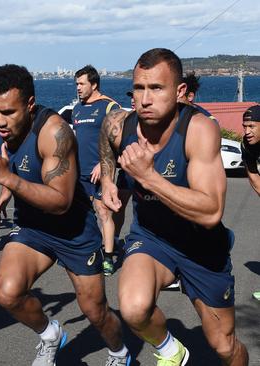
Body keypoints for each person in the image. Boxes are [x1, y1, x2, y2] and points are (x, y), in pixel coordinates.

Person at [99, 48, 249, 365]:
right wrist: (108, 179)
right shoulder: (120, 124)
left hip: (202, 248)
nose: (145, 99)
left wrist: (149, 177)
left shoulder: (198, 130)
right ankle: (171, 350)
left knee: (224, 346)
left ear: (180, 92)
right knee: (133, 307)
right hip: (152, 238)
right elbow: (107, 135)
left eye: (156, 88)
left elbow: (210, 212)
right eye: (139, 88)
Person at [0, 64, 130, 366]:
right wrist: (6, 192)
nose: (0, 121)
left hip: (73, 231)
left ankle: (119, 352)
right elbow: (14, 165)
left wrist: (7, 180)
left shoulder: (54, 132)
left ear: (30, 104)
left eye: (9, 112)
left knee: (95, 311)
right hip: (33, 226)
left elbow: (60, 201)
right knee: (8, 292)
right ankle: (50, 335)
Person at [72, 65, 121, 276]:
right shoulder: (77, 109)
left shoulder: (109, 107)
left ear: (94, 84)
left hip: (103, 171)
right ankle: (91, 252)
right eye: (76, 84)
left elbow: (120, 142)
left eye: (82, 84)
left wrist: (102, 165)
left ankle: (108, 257)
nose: (78, 88)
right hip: (79, 172)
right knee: (83, 215)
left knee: (103, 213)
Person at [240, 105, 260, 301]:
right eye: (244, 126)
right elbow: (253, 175)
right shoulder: (247, 145)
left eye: (252, 126)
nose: (247, 131)